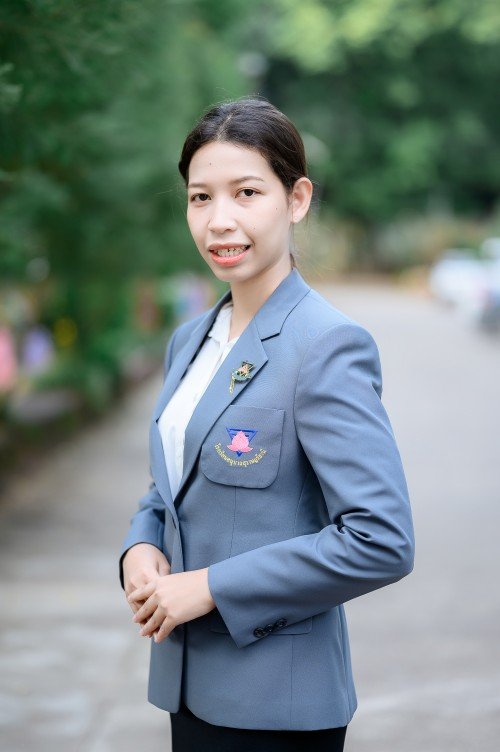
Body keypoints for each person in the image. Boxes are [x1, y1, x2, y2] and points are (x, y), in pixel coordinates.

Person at [119, 95, 415, 751]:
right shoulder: (189, 341)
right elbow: (171, 484)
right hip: (187, 689)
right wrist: (140, 546)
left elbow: (381, 539)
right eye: (200, 198)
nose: (219, 220)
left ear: (297, 199)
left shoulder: (327, 346)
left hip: (277, 707)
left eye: (247, 192)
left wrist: (210, 587)